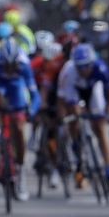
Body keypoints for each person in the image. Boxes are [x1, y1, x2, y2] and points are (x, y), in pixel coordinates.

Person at [57, 43, 109, 192]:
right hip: (75, 91)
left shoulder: (101, 68)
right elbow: (62, 100)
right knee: (75, 118)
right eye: (80, 67)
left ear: (92, 63)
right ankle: (77, 148)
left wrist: (108, 113)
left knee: (100, 126)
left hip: (93, 90)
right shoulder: (69, 71)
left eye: (86, 66)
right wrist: (66, 117)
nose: (83, 70)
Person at [0, 38, 40, 201]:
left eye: (11, 66)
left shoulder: (24, 65)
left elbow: (34, 94)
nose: (8, 69)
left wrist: (31, 111)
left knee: (19, 126)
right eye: (5, 66)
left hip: (16, 87)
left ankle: (20, 171)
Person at [30, 41, 65, 188]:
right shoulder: (36, 65)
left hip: (60, 93)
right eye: (46, 61)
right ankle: (36, 138)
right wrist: (38, 107)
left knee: (58, 129)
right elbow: (39, 90)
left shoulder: (64, 67)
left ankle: (59, 159)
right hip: (40, 91)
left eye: (51, 62)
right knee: (42, 115)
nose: (47, 64)